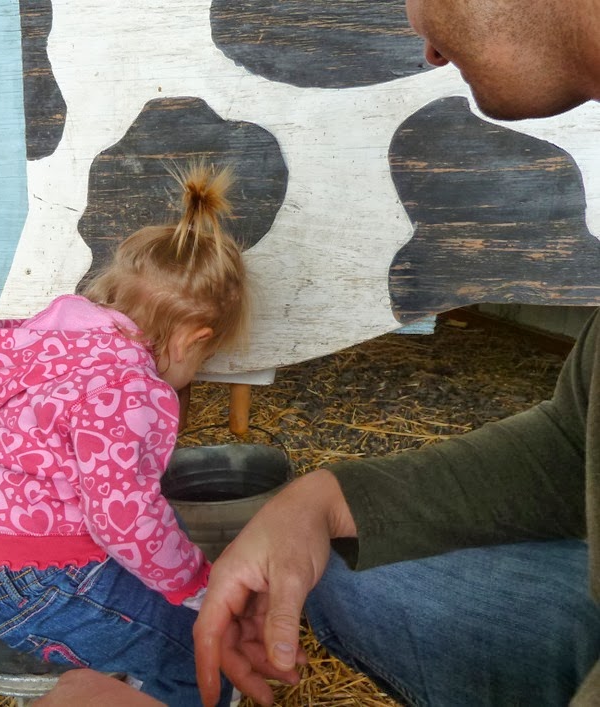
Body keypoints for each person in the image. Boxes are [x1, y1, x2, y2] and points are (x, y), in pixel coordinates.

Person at [35, 0, 600, 705]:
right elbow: (577, 443)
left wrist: (186, 581)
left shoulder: (50, 345)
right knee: (329, 560)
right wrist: (326, 500)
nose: (421, 40)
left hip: (15, 570)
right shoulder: (131, 391)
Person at [0, 162, 248, 706]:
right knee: (202, 650)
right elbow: (121, 516)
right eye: (204, 358)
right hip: (47, 586)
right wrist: (194, 585)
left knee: (159, 551)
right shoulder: (128, 389)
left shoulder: (60, 349)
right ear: (191, 340)